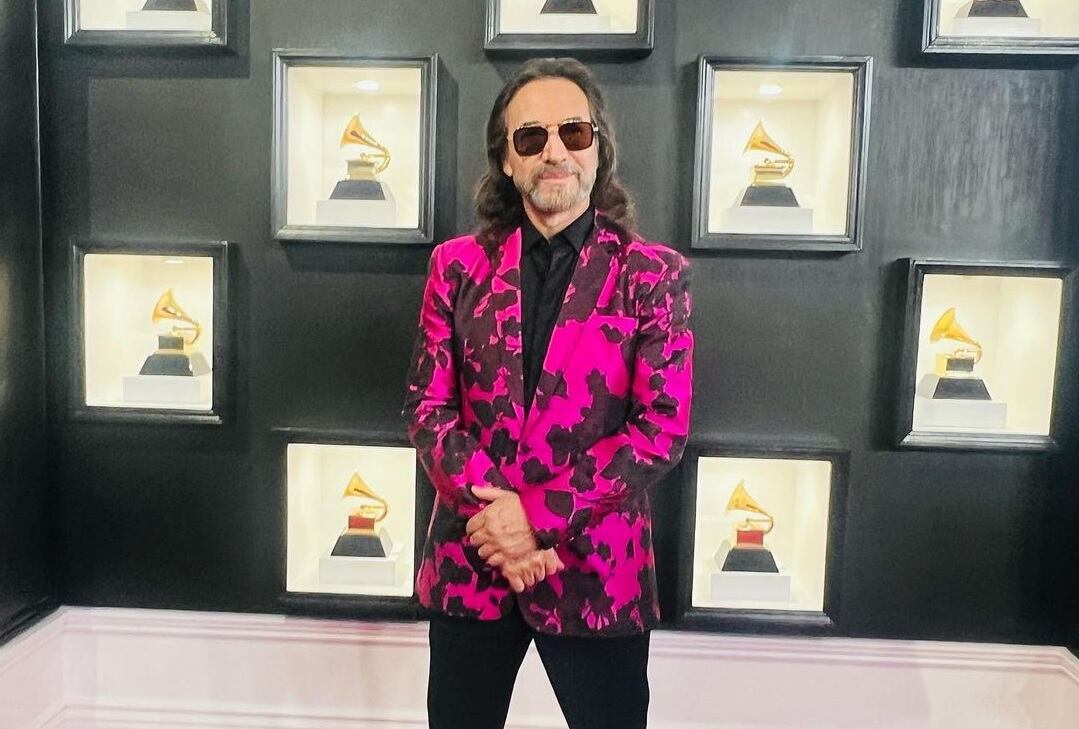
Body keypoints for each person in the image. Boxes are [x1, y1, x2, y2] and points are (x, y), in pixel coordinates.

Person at [402, 57, 694, 729]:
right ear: (506, 160)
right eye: (530, 137)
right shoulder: (455, 267)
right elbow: (427, 407)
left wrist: (534, 516)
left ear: (599, 149)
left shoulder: (653, 276)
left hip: (597, 567)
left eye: (573, 132)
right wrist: (501, 524)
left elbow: (660, 428)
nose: (554, 150)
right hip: (473, 562)